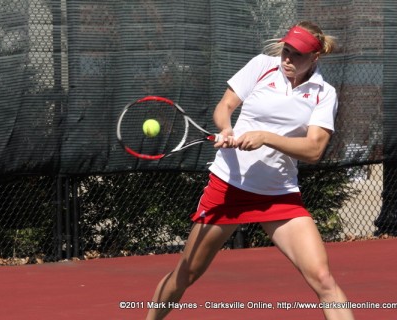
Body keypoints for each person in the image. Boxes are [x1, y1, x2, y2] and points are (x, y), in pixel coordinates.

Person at [146, 21, 355, 320]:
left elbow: (314, 150)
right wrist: (227, 128)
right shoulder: (262, 66)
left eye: (296, 54)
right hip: (228, 189)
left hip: (279, 195)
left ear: (315, 58)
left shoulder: (324, 93)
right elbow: (225, 106)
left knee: (323, 279)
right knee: (186, 273)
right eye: (286, 50)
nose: (287, 59)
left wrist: (265, 137)